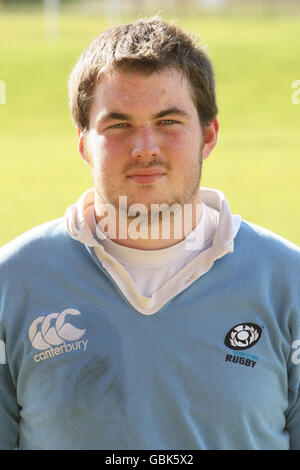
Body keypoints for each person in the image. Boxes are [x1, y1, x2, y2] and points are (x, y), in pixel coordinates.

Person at [0, 16, 300, 451]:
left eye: (168, 121)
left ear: (208, 135)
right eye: (118, 125)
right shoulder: (12, 283)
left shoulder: (289, 283)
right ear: (83, 143)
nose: (145, 147)